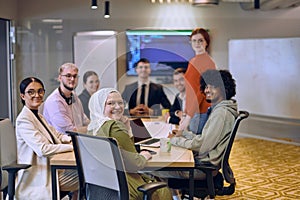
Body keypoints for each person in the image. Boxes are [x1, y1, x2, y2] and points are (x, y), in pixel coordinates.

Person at [87, 88, 173, 200]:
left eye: (120, 102)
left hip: (101, 189)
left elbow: (126, 151)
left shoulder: (92, 128)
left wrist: (127, 129)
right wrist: (144, 156)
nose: (118, 107)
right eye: (110, 103)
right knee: (162, 190)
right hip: (125, 188)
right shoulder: (115, 127)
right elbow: (135, 163)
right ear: (100, 106)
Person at [153, 69, 238, 180]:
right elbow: (205, 139)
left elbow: (201, 145)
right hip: (202, 164)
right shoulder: (220, 110)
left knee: (149, 168)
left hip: (201, 168)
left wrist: (173, 140)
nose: (207, 90)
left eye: (212, 86)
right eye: (206, 87)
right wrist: (184, 133)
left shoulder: (221, 114)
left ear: (223, 87)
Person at [15, 77, 78, 200]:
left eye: (40, 91)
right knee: (89, 175)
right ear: (23, 96)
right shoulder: (24, 120)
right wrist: (72, 147)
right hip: (39, 176)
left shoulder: (38, 115)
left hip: (53, 169)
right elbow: (43, 149)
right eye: (31, 92)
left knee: (88, 173)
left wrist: (72, 140)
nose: (37, 95)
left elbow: (57, 135)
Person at [179, 28, 217, 134]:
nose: (197, 43)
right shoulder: (193, 60)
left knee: (196, 148)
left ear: (206, 42)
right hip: (193, 111)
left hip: (200, 112)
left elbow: (202, 91)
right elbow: (190, 90)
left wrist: (188, 117)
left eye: (200, 40)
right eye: (194, 40)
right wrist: (185, 113)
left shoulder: (207, 62)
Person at [43, 62, 90, 134]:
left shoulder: (73, 96)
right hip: (62, 143)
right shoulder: (54, 101)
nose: (72, 79)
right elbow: (69, 131)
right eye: (68, 76)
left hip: (77, 140)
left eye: (75, 76)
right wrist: (92, 128)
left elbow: (84, 120)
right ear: (60, 78)